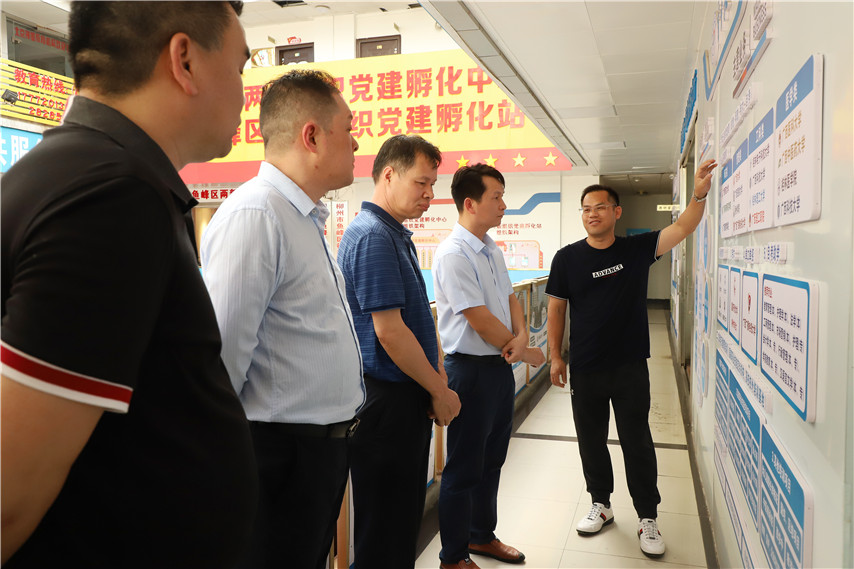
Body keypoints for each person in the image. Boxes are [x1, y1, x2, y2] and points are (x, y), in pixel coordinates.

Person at [0, 2, 256, 567]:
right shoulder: (111, 199)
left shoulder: (78, 171)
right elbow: (8, 497)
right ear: (184, 60)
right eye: (240, 67)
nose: (245, 93)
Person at [200, 69, 365, 569]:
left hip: (315, 454)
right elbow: (221, 362)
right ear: (312, 136)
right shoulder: (257, 215)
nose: (357, 142)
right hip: (278, 457)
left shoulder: (301, 216)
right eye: (348, 129)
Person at [545, 158, 717, 558]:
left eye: (600, 207)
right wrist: (556, 356)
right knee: (591, 440)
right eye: (586, 209)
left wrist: (698, 195)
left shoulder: (637, 249)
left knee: (636, 441)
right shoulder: (566, 258)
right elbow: (556, 308)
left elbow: (683, 227)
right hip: (586, 366)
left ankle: (647, 516)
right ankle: (601, 504)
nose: (592, 214)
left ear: (616, 212)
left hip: (630, 366)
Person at [337, 134, 462, 569]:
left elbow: (413, 320)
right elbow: (390, 333)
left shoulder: (392, 233)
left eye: (433, 185)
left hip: (402, 397)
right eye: (421, 183)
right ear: (389, 175)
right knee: (385, 527)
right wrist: (440, 390)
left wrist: (435, 379)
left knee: (398, 519)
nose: (429, 194)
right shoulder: (373, 236)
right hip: (386, 403)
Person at [433, 165, 545, 569]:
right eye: (496, 196)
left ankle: (481, 536)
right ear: (470, 203)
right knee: (463, 468)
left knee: (492, 460)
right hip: (469, 371)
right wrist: (524, 352)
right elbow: (477, 318)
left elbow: (511, 298)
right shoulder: (453, 253)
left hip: (498, 367)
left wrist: (521, 337)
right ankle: (453, 557)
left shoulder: (491, 249)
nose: (503, 204)